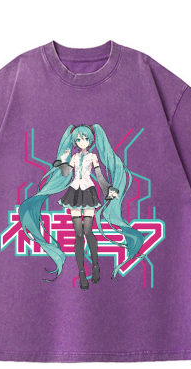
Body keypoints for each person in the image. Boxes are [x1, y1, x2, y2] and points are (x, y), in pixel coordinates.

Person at [18, 123, 145, 290]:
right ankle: (82, 273)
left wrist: (108, 189)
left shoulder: (92, 157)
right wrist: (64, 160)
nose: (82, 141)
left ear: (91, 140)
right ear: (74, 141)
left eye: (85, 138)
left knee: (88, 231)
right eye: (78, 139)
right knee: (78, 234)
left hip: (89, 192)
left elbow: (99, 175)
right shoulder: (74, 157)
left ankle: (95, 266)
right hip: (74, 192)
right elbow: (66, 173)